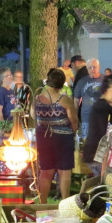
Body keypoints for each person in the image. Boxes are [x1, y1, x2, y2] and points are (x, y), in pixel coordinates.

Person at [32, 69, 78, 203]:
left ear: (48, 81)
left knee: (46, 172)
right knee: (64, 172)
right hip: (63, 139)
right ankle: (65, 204)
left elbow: (34, 117)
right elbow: (74, 120)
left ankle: (42, 203)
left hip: (44, 138)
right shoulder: (65, 100)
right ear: (62, 83)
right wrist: (73, 133)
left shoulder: (37, 99)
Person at [83, 75, 112, 176]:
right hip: (98, 155)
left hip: (93, 153)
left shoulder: (100, 105)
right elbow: (107, 133)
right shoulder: (103, 108)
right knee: (108, 185)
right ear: (106, 90)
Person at [73, 58, 104, 139]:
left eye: (94, 67)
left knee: (101, 145)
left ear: (99, 67)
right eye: (90, 67)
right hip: (86, 118)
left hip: (102, 119)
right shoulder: (82, 81)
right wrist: (75, 116)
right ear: (87, 69)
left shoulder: (105, 80)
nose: (92, 69)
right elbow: (76, 100)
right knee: (87, 144)